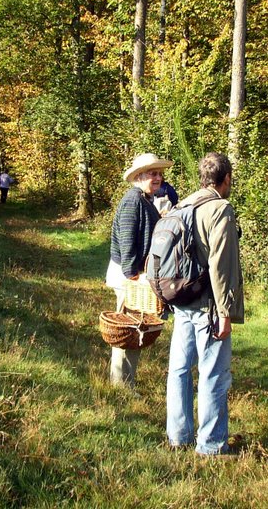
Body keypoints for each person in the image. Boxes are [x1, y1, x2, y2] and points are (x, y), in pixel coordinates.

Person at [166, 152, 244, 456]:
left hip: (182, 300)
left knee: (180, 370)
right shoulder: (220, 209)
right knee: (213, 374)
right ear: (225, 179)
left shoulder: (183, 204)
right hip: (208, 306)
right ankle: (211, 445)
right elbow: (221, 266)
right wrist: (225, 312)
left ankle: (179, 436)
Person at [105, 153, 174, 388]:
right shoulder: (132, 200)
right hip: (128, 275)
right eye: (153, 173)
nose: (158, 177)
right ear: (139, 176)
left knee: (135, 328)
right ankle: (121, 385)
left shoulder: (145, 199)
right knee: (127, 329)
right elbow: (126, 240)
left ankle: (125, 381)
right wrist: (132, 275)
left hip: (133, 274)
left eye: (159, 174)